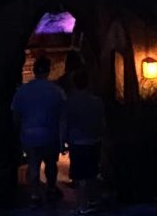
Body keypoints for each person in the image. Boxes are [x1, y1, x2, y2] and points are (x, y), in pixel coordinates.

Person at [12, 55, 67, 203]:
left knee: (33, 164)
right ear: (48, 71)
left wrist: (17, 133)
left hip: (29, 134)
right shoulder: (56, 91)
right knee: (51, 164)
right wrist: (63, 137)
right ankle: (51, 188)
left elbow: (16, 114)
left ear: (34, 71)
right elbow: (63, 115)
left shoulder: (23, 91)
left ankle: (34, 193)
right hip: (50, 134)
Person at [61, 61, 106, 206]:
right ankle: (94, 200)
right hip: (94, 140)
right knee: (93, 172)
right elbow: (102, 121)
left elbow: (65, 123)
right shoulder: (96, 101)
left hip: (77, 142)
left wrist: (62, 142)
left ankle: (83, 203)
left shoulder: (70, 102)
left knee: (79, 175)